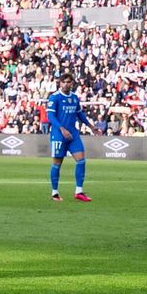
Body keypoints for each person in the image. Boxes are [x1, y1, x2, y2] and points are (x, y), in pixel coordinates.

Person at [46, 74, 90, 202]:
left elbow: (80, 114)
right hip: (58, 135)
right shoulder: (55, 97)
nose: (66, 84)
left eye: (68, 82)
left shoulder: (74, 98)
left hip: (73, 134)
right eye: (64, 82)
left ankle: (79, 191)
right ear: (60, 83)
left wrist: (91, 126)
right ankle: (54, 193)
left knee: (81, 160)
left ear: (72, 84)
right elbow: (50, 116)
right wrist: (61, 129)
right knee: (57, 164)